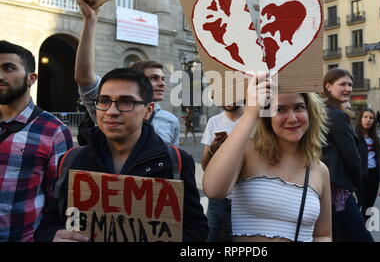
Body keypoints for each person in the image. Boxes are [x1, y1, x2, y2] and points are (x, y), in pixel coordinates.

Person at [34, 68, 208, 242]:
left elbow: (196, 227)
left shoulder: (176, 162)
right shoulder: (73, 159)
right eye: (104, 101)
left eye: (126, 102)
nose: (111, 111)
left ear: (148, 110)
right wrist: (53, 236)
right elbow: (50, 222)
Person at [203, 72, 332, 242]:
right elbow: (213, 190)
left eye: (299, 107)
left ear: (310, 113)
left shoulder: (320, 170)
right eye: (280, 110)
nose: (292, 118)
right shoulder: (247, 153)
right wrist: (250, 115)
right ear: (266, 118)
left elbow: (323, 234)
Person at [74, 0, 179, 146]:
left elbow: (172, 162)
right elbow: (84, 78)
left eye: (162, 78)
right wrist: (90, 21)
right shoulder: (111, 110)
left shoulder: (170, 121)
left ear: (148, 110)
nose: (162, 83)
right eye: (153, 78)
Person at [0, 41, 73, 241]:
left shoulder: (54, 132)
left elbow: (58, 201)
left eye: (8, 68)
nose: (0, 76)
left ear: (31, 78)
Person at [321, 68, 373, 242]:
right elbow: (351, 156)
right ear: (328, 86)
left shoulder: (322, 111)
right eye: (342, 84)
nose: (348, 89)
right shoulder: (336, 115)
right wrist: (358, 183)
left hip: (324, 185)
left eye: (350, 84)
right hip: (338, 188)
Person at [201, 103, 243, 242]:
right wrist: (213, 148)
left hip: (246, 198)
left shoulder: (255, 121)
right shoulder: (214, 121)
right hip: (218, 200)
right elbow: (205, 166)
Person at [354, 109, 380, 220]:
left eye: (371, 118)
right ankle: (357, 230)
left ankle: (359, 229)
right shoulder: (354, 136)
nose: (368, 120)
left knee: (369, 208)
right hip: (359, 176)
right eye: (365, 117)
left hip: (374, 175)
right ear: (360, 119)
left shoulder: (375, 138)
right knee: (360, 204)